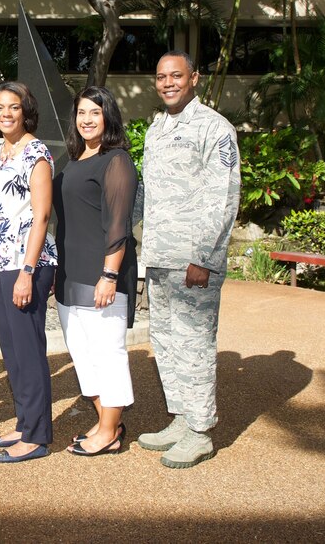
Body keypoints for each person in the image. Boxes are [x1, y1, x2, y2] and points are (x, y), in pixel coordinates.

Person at [137, 50, 240, 469]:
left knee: (194, 344)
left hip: (193, 262)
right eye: (161, 77)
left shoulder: (214, 128)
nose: (168, 83)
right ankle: (180, 417)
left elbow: (223, 197)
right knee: (165, 340)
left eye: (176, 75)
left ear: (194, 78)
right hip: (160, 257)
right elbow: (147, 191)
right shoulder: (158, 128)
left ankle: (200, 431)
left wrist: (204, 257)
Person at [52, 86, 138, 456]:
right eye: (82, 113)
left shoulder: (115, 161)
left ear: (109, 118)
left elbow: (119, 225)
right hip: (70, 274)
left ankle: (107, 432)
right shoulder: (73, 160)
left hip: (102, 275)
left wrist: (110, 276)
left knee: (109, 353)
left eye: (95, 113)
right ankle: (109, 423)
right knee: (84, 355)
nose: (87, 119)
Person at [0, 82, 59, 464]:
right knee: (12, 351)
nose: (5, 113)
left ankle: (38, 436)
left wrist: (27, 271)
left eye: (13, 107)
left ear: (26, 110)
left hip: (27, 263)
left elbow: (41, 215)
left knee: (28, 351)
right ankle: (24, 424)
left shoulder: (36, 152)